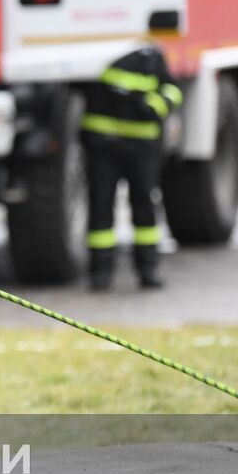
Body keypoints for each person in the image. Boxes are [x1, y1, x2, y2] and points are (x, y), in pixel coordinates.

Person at [80, 45, 183, 291]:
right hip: (104, 146)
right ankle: (101, 272)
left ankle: (148, 269)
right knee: (101, 207)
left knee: (145, 208)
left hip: (142, 148)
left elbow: (172, 90)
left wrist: (153, 107)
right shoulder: (90, 52)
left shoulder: (150, 56)